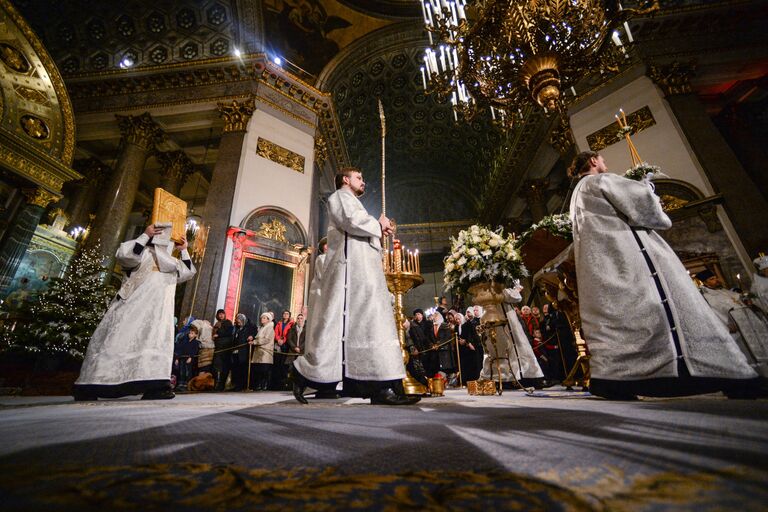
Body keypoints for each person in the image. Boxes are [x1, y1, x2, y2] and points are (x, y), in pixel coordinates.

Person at [568, 150, 759, 399]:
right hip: (632, 256)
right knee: (668, 305)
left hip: (606, 264)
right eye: (602, 159)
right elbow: (644, 206)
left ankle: (621, 376)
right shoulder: (601, 181)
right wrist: (646, 186)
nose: (605, 163)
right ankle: (716, 370)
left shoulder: (577, 195)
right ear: (593, 161)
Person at [292, 167, 418, 405]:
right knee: (365, 325)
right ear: (346, 180)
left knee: (368, 328)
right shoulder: (339, 196)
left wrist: (380, 229)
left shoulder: (353, 201)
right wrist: (377, 225)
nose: (363, 181)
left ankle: (377, 386)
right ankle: (306, 374)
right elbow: (350, 221)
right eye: (359, 177)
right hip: (353, 278)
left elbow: (360, 228)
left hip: (363, 277)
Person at [72, 223, 196, 400]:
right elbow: (125, 256)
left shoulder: (173, 262)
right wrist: (145, 235)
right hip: (134, 309)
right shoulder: (142, 252)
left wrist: (183, 250)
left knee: (155, 345)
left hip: (158, 315)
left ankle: (155, 385)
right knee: (119, 341)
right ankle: (94, 384)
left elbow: (188, 272)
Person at [698, 270, 768, 378]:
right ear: (705, 283)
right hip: (736, 328)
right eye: (712, 279)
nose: (716, 280)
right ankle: (757, 376)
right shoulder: (707, 297)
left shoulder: (725, 291)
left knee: (761, 346)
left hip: (749, 324)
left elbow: (741, 300)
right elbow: (714, 313)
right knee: (748, 352)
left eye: (715, 277)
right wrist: (726, 325)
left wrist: (748, 301)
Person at [249, 312, 275, 391]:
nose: (262, 319)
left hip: (265, 353)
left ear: (268, 320)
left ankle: (263, 385)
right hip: (259, 352)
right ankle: (258, 385)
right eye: (262, 318)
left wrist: (254, 342)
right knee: (258, 370)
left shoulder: (269, 328)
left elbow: (266, 339)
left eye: (264, 318)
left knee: (264, 370)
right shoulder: (262, 328)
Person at [231, 313, 257, 391]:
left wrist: (252, 336)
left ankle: (242, 385)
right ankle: (236, 385)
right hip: (235, 350)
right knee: (236, 369)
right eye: (237, 322)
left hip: (244, 351)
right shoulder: (236, 328)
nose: (238, 323)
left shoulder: (250, 327)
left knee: (243, 369)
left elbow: (254, 333)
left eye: (240, 322)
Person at [212, 309, 234, 391]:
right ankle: (216, 384)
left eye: (222, 314)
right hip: (218, 347)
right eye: (219, 314)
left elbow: (229, 333)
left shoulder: (228, 323)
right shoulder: (217, 324)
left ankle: (222, 384)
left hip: (225, 347)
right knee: (217, 366)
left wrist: (219, 335)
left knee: (224, 366)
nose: (221, 315)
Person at [272, 310, 294, 389]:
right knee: (278, 364)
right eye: (284, 313)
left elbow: (290, 334)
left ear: (289, 315)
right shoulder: (279, 323)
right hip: (279, 344)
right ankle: (278, 384)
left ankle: (285, 384)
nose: (285, 315)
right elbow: (276, 333)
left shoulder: (292, 324)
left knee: (284, 365)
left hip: (286, 345)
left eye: (287, 314)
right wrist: (278, 340)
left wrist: (283, 340)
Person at [174, 324, 200, 390]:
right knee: (181, 371)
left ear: (195, 335)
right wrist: (177, 358)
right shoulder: (184, 341)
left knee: (188, 371)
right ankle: (181, 383)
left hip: (189, 358)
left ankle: (187, 384)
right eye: (189, 333)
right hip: (182, 358)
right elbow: (180, 350)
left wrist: (191, 357)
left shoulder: (196, 342)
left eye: (192, 333)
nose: (190, 334)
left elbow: (194, 351)